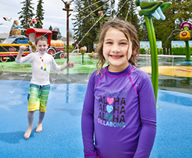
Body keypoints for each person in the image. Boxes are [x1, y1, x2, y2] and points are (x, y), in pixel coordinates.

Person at [81, 19, 156, 158]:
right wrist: (89, 152)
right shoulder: (96, 77)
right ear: (101, 46)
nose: (115, 49)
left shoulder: (141, 79)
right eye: (109, 42)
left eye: (123, 43)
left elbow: (149, 124)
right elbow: (87, 115)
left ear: (134, 48)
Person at [16, 36, 74, 139]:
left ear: (47, 46)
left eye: (44, 45)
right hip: (34, 85)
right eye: (40, 45)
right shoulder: (33, 56)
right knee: (31, 108)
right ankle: (30, 127)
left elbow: (57, 68)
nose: (42, 47)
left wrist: (66, 66)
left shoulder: (50, 57)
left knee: (43, 108)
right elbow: (18, 61)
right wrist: (20, 51)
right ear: (36, 46)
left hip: (46, 86)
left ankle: (40, 122)